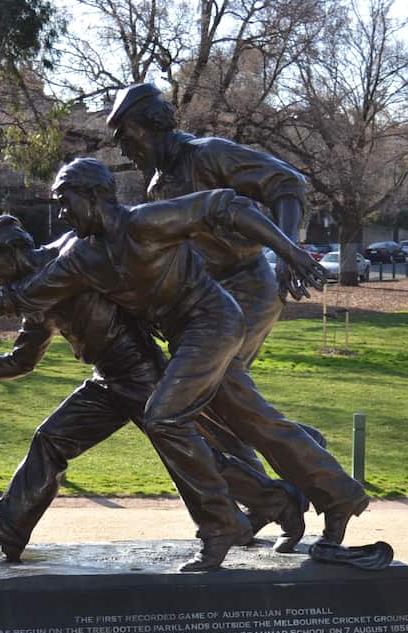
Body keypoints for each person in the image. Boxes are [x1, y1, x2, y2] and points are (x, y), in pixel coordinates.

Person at [0, 159, 324, 571]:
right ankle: (11, 528)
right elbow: (23, 359)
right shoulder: (36, 297)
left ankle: (275, 501)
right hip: (106, 382)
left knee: (189, 455)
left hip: (141, 373)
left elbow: (13, 299)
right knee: (51, 440)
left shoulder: (66, 256)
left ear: (12, 250)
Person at [106, 83, 372, 545]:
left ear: (150, 124)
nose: (122, 147)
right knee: (215, 407)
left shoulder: (207, 154)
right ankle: (277, 489)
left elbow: (286, 183)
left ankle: (332, 493)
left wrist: (287, 252)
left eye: (124, 133)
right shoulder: (156, 185)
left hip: (246, 290)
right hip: (203, 303)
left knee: (225, 399)